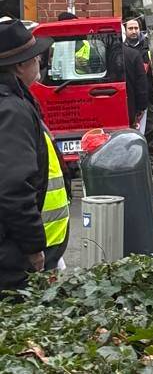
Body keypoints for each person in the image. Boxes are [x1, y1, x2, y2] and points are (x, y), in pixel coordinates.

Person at [0, 19, 69, 291]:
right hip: (15, 255)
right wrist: (33, 247)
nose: (39, 60)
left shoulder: (14, 101)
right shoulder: (11, 110)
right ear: (19, 65)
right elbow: (13, 187)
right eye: (34, 56)